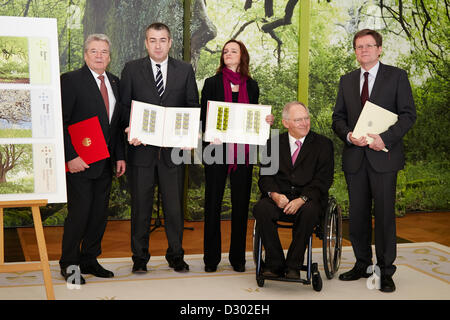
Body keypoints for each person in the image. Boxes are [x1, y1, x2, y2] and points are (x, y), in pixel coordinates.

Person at [332, 29, 416, 292]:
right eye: (359, 47)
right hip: (355, 158)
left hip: (384, 157)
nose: (363, 50)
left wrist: (385, 139)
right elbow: (338, 118)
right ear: (355, 51)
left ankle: (385, 271)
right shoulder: (346, 80)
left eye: (369, 46)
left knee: (384, 216)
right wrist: (347, 135)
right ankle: (362, 264)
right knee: (357, 216)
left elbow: (408, 115)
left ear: (380, 49)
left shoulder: (397, 76)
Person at [120, 23, 199, 274]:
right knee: (141, 208)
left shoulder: (185, 70)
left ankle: (176, 255)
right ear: (146, 43)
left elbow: (191, 106)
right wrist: (129, 129)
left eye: (162, 40)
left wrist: (189, 135)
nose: (157, 45)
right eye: (152, 40)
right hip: (140, 151)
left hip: (173, 153)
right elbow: (124, 108)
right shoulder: (132, 69)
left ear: (170, 42)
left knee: (174, 208)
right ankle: (139, 258)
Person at [200, 39, 274, 273]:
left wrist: (265, 121)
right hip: (216, 150)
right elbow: (204, 116)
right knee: (212, 204)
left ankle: (237, 258)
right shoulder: (211, 83)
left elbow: (252, 117)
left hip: (243, 152)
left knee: (241, 205)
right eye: (225, 51)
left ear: (242, 56)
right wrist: (209, 133)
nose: (228, 54)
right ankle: (211, 259)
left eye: (234, 51)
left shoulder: (252, 86)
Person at [59, 34, 126, 284]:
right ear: (85, 54)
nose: (99, 56)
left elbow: (116, 126)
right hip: (80, 163)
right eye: (94, 51)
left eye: (104, 52)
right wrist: (71, 156)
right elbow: (61, 122)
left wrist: (119, 156)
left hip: (106, 163)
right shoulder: (71, 80)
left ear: (110, 56)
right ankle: (69, 263)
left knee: (99, 215)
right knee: (79, 214)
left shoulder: (115, 83)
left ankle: (89, 259)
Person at [253, 101, 334, 278]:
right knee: (261, 208)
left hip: (307, 199)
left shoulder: (323, 144)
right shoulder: (273, 143)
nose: (305, 123)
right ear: (285, 123)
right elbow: (265, 177)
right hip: (280, 196)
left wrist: (302, 199)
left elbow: (323, 180)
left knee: (310, 211)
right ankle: (274, 263)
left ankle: (293, 265)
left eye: (306, 118)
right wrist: (275, 195)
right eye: (298, 120)